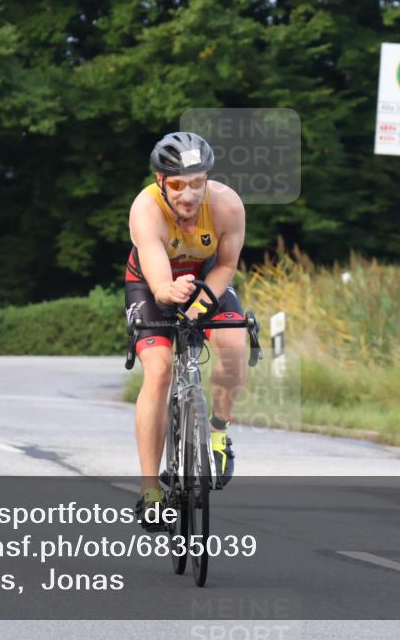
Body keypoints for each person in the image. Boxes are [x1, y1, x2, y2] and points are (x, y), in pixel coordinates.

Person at [125, 131, 247, 530]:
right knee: (159, 370)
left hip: (207, 280)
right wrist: (169, 292)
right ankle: (150, 490)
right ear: (161, 181)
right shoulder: (146, 209)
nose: (189, 194)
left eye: (197, 183)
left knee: (234, 346)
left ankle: (218, 433)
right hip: (152, 282)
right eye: (178, 185)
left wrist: (199, 304)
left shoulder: (227, 205)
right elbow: (160, 283)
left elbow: (226, 265)